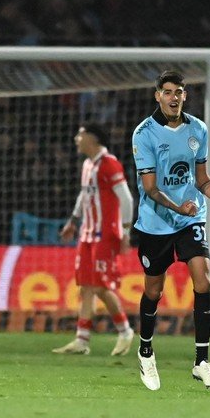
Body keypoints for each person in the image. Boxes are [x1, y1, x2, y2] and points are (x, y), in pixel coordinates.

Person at [130, 70, 210, 391]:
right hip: (156, 222)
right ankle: (146, 352)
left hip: (191, 219)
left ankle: (202, 362)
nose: (173, 97)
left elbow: (201, 179)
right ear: (157, 96)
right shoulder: (144, 133)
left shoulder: (197, 129)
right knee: (153, 291)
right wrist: (178, 207)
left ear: (185, 96)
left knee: (203, 280)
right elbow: (150, 189)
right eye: (167, 92)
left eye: (179, 92)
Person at [53, 124, 135, 356]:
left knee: (100, 285)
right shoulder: (88, 165)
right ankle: (82, 340)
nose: (76, 138)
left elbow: (127, 199)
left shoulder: (109, 163)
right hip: (87, 233)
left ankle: (125, 330)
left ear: (92, 137)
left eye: (80, 134)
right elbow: (84, 194)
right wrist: (73, 220)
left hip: (105, 234)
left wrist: (125, 231)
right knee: (86, 287)